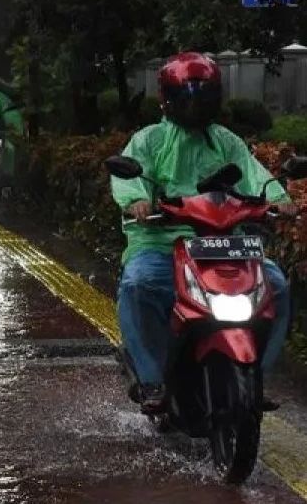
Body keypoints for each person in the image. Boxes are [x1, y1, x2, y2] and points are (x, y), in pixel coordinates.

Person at [111, 52, 295, 414]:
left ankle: (256, 377)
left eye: (203, 95)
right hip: (162, 242)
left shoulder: (227, 141)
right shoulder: (148, 141)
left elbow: (254, 173)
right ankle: (152, 379)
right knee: (138, 286)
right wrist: (137, 202)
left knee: (277, 288)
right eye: (186, 95)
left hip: (225, 242)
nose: (194, 104)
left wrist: (278, 198)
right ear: (167, 98)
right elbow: (128, 179)